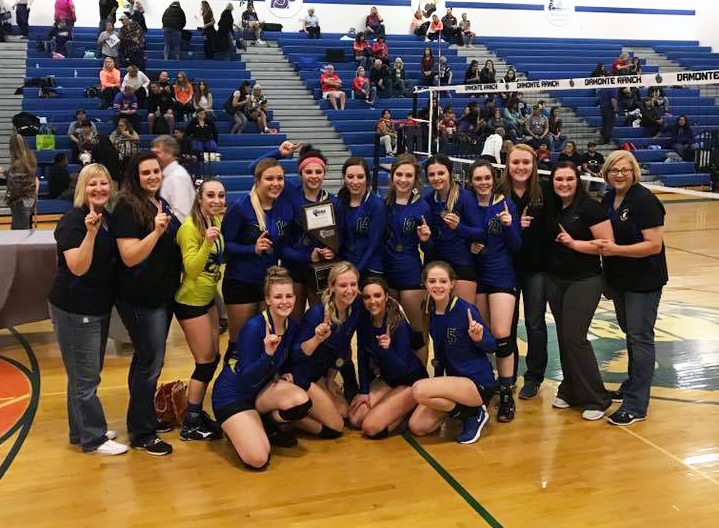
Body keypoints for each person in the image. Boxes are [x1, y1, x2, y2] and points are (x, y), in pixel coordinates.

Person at [49, 163, 128, 456]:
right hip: (75, 308)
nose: (99, 189)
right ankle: (93, 437)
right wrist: (90, 234)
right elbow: (78, 267)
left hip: (96, 306)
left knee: (83, 374)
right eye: (92, 184)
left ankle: (79, 430)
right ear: (82, 188)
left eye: (104, 183)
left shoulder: (107, 217)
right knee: (86, 377)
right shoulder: (72, 221)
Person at [112, 152, 182, 456]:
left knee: (149, 362)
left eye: (156, 171)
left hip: (161, 296)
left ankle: (144, 418)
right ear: (135, 177)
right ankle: (142, 432)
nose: (153, 176)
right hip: (141, 299)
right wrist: (155, 233)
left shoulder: (159, 202)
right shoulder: (127, 207)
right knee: (149, 364)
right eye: (146, 173)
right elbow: (129, 257)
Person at [212, 266, 312, 469]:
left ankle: (266, 421)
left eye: (289, 296)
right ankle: (239, 428)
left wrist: (287, 372)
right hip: (233, 395)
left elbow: (292, 356)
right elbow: (247, 377)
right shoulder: (253, 327)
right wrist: (267, 354)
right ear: (267, 299)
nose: (284, 301)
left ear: (295, 297)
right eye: (278, 297)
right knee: (258, 459)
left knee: (301, 401)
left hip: (260, 391)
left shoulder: (291, 325)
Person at [595, 151, 668, 426]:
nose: (619, 175)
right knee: (630, 333)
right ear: (606, 173)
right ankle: (632, 385)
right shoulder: (607, 199)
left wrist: (616, 250)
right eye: (614, 170)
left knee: (640, 337)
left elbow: (653, 245)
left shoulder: (644, 200)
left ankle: (636, 405)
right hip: (619, 280)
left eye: (625, 170)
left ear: (634, 172)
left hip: (643, 281)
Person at [546, 162, 613, 421]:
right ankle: (570, 389)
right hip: (556, 280)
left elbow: (606, 244)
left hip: (585, 280)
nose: (564, 184)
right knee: (564, 337)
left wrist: (575, 244)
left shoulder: (590, 207)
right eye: (559, 179)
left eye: (569, 179)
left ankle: (596, 398)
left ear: (578, 180)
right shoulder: (553, 207)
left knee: (575, 336)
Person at [408, 261, 496, 444]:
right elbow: (440, 355)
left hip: (476, 383)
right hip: (454, 383)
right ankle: (464, 411)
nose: (438, 286)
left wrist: (479, 338)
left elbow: (491, 346)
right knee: (418, 426)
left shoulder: (466, 310)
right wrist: (437, 380)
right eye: (432, 281)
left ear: (452, 284)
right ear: (425, 284)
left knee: (418, 390)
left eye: (443, 281)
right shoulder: (431, 312)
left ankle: (475, 413)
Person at [221, 157, 294, 361]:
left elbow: (283, 247)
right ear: (257, 180)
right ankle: (231, 379)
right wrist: (251, 249)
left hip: (267, 284)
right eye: (269, 178)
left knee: (264, 339)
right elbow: (225, 247)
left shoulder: (284, 208)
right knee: (239, 342)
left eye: (280, 178)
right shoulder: (240, 207)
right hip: (240, 283)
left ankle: (260, 378)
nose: (275, 183)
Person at [468, 160, 522, 423]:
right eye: (478, 178)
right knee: (483, 334)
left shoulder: (505, 204)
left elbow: (517, 245)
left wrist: (510, 225)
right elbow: (463, 237)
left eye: (486, 178)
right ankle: (484, 384)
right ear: (471, 181)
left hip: (501, 273)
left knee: (501, 334)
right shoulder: (468, 204)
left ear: (494, 179)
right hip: (478, 275)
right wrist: (470, 246)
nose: (483, 183)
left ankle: (506, 392)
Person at [499, 145, 553, 403]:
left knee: (535, 323)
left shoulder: (544, 191)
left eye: (526, 162)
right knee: (506, 325)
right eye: (515, 162)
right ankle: (507, 375)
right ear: (507, 165)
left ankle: (534, 377)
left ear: (534, 165)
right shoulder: (499, 192)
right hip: (506, 268)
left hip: (536, 269)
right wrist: (514, 228)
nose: (520, 167)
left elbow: (552, 228)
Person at [173, 178, 226, 441]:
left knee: (213, 358)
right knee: (204, 362)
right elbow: (192, 270)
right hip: (190, 302)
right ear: (200, 198)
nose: (216, 200)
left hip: (208, 299)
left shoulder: (214, 221)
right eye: (211, 195)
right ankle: (190, 423)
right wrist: (206, 242)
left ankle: (196, 411)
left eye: (220, 195)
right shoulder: (189, 228)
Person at [349, 278, 428, 438]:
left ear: (386, 296)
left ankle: (408, 409)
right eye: (367, 297)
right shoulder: (365, 322)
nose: (372, 301)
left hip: (409, 381)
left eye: (377, 295)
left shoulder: (399, 325)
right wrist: (364, 390)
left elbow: (401, 370)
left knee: (370, 427)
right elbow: (362, 355)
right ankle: (397, 410)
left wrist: (386, 351)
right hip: (388, 379)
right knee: (356, 419)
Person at [290, 261, 362, 438]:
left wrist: (330, 378)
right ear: (331, 287)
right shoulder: (317, 313)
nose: (349, 290)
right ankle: (281, 417)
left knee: (344, 412)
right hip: (301, 375)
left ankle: (309, 404)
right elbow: (295, 355)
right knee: (336, 426)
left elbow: (343, 348)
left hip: (320, 375)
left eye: (353, 284)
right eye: (343, 285)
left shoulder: (353, 310)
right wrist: (316, 339)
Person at [382, 154, 432, 365]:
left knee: (417, 332)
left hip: (410, 274)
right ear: (392, 176)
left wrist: (426, 240)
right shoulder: (383, 203)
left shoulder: (422, 207)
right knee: (390, 330)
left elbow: (429, 247)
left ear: (416, 179)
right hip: (386, 274)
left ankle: (420, 375)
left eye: (408, 175)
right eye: (399, 174)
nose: (403, 180)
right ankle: (396, 372)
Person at [423, 154, 485, 304]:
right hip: (435, 265)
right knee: (435, 315)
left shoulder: (466, 197)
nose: (436, 178)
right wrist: (425, 240)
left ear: (450, 173)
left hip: (461, 265)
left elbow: (481, 234)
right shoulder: (427, 201)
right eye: (432, 174)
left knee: (463, 315)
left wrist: (459, 227)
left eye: (441, 173)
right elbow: (428, 245)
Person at [338, 157, 386, 280]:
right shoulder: (341, 201)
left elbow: (373, 245)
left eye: (360, 177)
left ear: (367, 178)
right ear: (344, 178)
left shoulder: (377, 205)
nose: (355, 182)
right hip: (346, 264)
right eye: (350, 177)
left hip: (370, 268)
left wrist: (356, 272)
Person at [152, 135, 195, 222]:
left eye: (157, 153)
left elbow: (182, 214)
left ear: (169, 153)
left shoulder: (177, 177)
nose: (153, 156)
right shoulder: (166, 175)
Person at [6, 134, 38, 230]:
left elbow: (16, 185)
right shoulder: (30, 160)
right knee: (26, 228)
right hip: (30, 199)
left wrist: (5, 174)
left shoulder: (18, 164)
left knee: (19, 231)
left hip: (20, 201)